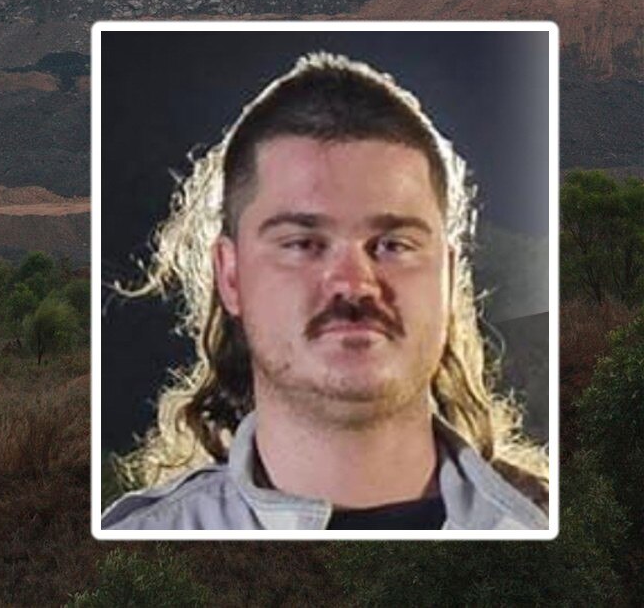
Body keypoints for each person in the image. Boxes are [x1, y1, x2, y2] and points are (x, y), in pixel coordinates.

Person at [101, 52, 548, 531]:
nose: (354, 283)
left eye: (393, 245)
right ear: (230, 277)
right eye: (303, 243)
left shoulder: (575, 541)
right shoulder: (145, 545)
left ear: (449, 277)